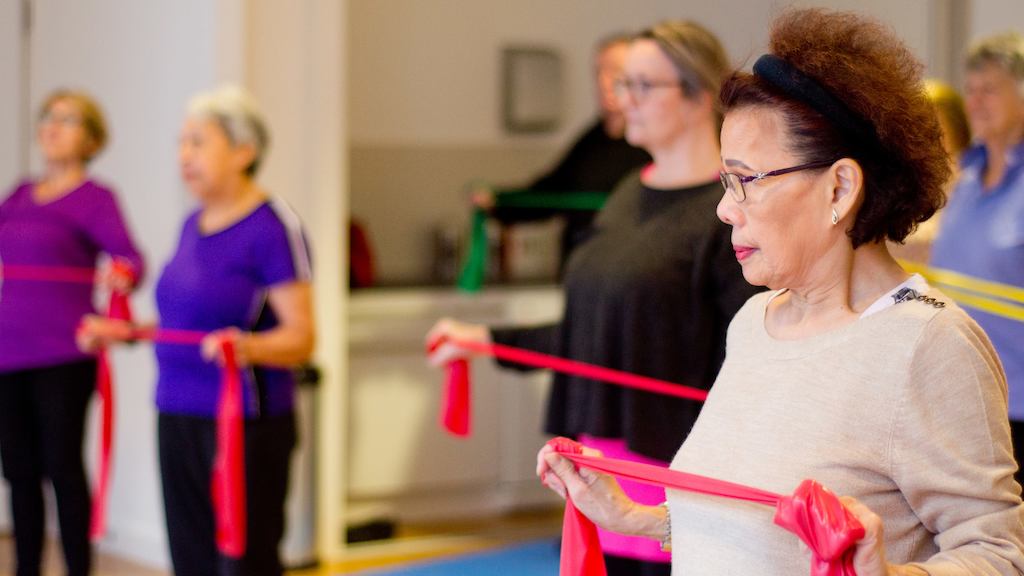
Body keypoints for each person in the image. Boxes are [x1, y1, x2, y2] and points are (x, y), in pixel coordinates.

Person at [537, 9, 1024, 574]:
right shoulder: (755, 322)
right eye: (725, 181)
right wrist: (635, 516)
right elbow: (748, 522)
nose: (724, 208)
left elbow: (999, 555)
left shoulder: (930, 346)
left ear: (839, 187)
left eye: (745, 181)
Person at [429, 21, 758, 576]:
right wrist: (486, 341)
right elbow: (593, 334)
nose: (621, 100)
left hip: (676, 483)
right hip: (600, 472)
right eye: (620, 84)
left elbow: (752, 358)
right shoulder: (630, 193)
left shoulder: (727, 214)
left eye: (641, 86)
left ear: (700, 95)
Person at [78, 86, 314, 576]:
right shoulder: (191, 224)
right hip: (177, 410)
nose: (184, 155)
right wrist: (122, 331)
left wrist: (246, 346)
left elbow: (302, 339)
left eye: (198, 142)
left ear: (243, 152)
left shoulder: (274, 225)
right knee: (190, 561)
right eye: (181, 142)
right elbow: (181, 325)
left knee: (243, 562)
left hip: (246, 421)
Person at [0, 90, 144, 576]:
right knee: (18, 471)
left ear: (91, 138)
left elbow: (130, 260)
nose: (51, 126)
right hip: (8, 353)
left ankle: (79, 570)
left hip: (64, 353)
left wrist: (121, 277)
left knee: (62, 468)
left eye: (67, 119)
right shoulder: (20, 194)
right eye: (47, 117)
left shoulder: (96, 199)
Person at [930, 30, 1024, 484]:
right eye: (970, 89)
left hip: (1019, 401)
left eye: (991, 89)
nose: (975, 101)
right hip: (965, 395)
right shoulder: (965, 176)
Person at [476, 33, 652, 270]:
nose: (603, 81)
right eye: (598, 72)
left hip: (628, 273)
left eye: (614, 71)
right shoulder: (590, 140)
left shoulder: (652, 144)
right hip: (581, 272)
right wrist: (497, 202)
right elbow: (552, 191)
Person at [889, 80, 970, 263]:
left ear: (958, 132)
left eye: (933, 132)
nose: (922, 141)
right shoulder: (901, 182)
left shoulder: (972, 185)